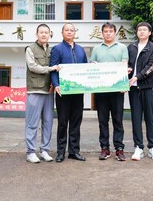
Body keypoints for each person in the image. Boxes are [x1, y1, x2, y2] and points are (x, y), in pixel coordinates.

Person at [90, 22, 129, 161]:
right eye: (105, 31)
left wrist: (125, 83)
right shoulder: (96, 49)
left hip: (117, 89)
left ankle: (119, 149)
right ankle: (104, 148)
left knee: (118, 120)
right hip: (101, 90)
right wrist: (93, 66)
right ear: (102, 33)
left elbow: (124, 66)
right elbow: (91, 66)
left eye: (110, 31)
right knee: (103, 120)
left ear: (115, 33)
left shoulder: (122, 48)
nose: (108, 33)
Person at [50, 23, 88, 162]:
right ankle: (60, 152)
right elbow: (53, 69)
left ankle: (74, 151)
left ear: (74, 32)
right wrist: (56, 85)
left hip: (78, 92)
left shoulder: (81, 50)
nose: (69, 32)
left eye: (72, 30)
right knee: (62, 122)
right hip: (63, 92)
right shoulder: (57, 49)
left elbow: (85, 70)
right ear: (62, 32)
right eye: (67, 30)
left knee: (76, 122)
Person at [25, 24, 59, 163]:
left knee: (48, 122)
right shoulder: (30, 49)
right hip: (35, 90)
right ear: (37, 34)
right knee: (32, 123)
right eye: (41, 32)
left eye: (46, 32)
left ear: (50, 34)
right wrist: (50, 69)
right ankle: (31, 152)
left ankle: (44, 150)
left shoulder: (52, 50)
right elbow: (32, 66)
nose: (44, 34)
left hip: (49, 91)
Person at [127, 22, 153, 161]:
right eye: (139, 30)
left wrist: (137, 77)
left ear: (149, 33)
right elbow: (128, 63)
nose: (141, 32)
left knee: (150, 118)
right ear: (137, 32)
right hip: (133, 88)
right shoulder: (131, 47)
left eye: (144, 30)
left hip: (147, 87)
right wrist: (128, 70)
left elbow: (152, 66)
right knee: (136, 118)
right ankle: (138, 147)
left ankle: (152, 147)